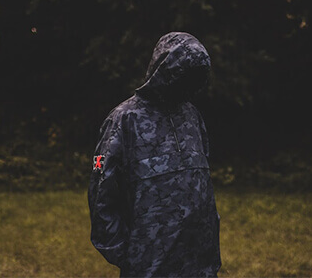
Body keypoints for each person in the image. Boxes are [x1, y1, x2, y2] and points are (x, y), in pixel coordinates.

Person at [88, 31, 221, 277]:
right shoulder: (124, 120)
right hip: (150, 268)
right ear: (164, 69)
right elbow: (101, 196)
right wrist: (128, 255)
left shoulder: (192, 116)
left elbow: (202, 181)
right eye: (182, 73)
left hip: (200, 264)